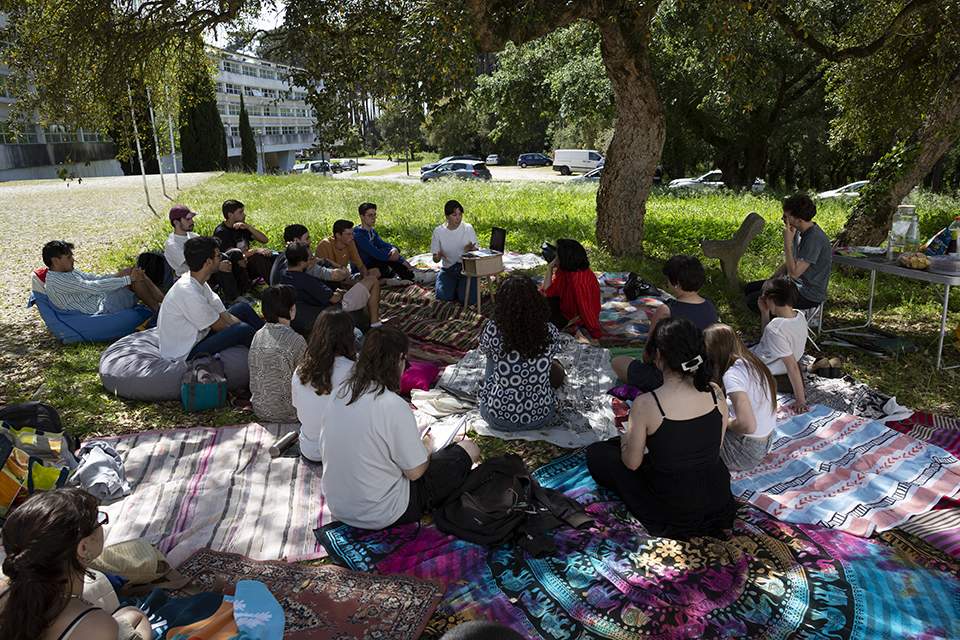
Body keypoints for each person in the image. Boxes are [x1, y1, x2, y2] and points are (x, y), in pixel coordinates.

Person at [585, 317, 737, 540]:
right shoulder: (715, 392)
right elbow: (717, 444)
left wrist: (625, 441)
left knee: (597, 453)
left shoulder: (647, 404)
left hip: (672, 506)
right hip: (717, 497)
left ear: (658, 354)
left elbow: (632, 463)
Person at [318, 326, 481, 530]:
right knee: (469, 449)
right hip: (383, 512)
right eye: (406, 362)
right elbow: (415, 472)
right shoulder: (393, 405)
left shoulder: (340, 392)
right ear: (398, 360)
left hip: (339, 506)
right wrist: (428, 443)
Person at [0, 487, 150, 640]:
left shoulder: (8, 588)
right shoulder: (96, 625)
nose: (102, 524)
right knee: (138, 617)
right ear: (83, 548)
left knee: (132, 614)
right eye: (98, 519)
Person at [612, 255, 719, 391]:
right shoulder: (710, 306)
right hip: (703, 374)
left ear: (677, 283)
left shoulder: (667, 310)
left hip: (669, 378)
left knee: (618, 362)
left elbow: (647, 355)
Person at [477, 274, 565, 431]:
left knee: (491, 356)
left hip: (497, 417)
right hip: (540, 416)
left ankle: (489, 393)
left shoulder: (493, 330)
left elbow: (486, 352)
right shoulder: (550, 331)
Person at [158, 235, 265, 361]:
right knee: (242, 330)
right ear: (208, 262)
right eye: (218, 256)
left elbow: (225, 315)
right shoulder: (190, 293)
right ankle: (270, 355)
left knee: (242, 308)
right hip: (185, 352)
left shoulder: (198, 281)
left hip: (199, 335)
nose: (221, 258)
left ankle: (272, 339)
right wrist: (242, 331)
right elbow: (221, 327)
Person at [705, 323, 779, 471]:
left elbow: (748, 426)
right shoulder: (752, 363)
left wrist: (725, 421)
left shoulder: (732, 375)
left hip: (744, 452)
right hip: (764, 444)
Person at [744, 194, 832, 314]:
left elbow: (794, 273)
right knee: (750, 288)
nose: (782, 218)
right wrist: (770, 281)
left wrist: (787, 242)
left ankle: (783, 321)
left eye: (786, 217)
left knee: (753, 300)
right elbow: (789, 263)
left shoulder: (814, 239)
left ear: (799, 221)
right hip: (792, 285)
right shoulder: (798, 231)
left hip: (808, 293)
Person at [291, 308, 358, 463]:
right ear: (349, 337)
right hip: (343, 454)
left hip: (309, 449)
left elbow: (297, 406)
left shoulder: (301, 369)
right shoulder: (355, 371)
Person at [280, 241, 381, 334]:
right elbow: (334, 298)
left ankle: (369, 322)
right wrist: (342, 293)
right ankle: (375, 324)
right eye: (311, 257)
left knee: (360, 291)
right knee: (372, 280)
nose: (314, 258)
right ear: (301, 263)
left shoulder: (284, 273)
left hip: (311, 310)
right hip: (335, 308)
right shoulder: (307, 280)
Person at [42, 241, 165, 315]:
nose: (73, 260)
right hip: (102, 309)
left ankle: (164, 304)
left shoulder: (66, 272)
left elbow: (94, 278)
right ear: (55, 261)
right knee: (132, 275)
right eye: (68, 257)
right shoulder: (57, 282)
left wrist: (126, 276)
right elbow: (93, 287)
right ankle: (159, 310)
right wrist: (129, 279)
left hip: (102, 299)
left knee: (129, 271)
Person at [248, 285, 307, 423]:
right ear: (291, 310)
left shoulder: (258, 335)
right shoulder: (296, 340)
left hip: (260, 410)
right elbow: (306, 379)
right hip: (290, 413)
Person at [750, 275, 808, 413]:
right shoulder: (800, 315)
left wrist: (800, 400)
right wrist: (765, 313)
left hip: (764, 366)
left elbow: (792, 366)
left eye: (766, 299)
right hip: (780, 365)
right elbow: (767, 338)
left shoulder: (776, 329)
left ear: (773, 300)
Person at [541, 238, 602, 339]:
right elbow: (547, 293)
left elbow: (586, 309)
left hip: (576, 318)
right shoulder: (563, 271)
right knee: (539, 307)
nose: (556, 258)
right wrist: (550, 269)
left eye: (558, 256)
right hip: (566, 308)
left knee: (542, 322)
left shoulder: (579, 280)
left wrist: (596, 334)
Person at [214, 199, 276, 286]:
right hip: (236, 268)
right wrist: (255, 250)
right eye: (240, 212)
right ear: (230, 215)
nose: (244, 215)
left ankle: (284, 282)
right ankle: (276, 286)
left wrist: (248, 227)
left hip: (247, 263)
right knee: (258, 257)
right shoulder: (222, 232)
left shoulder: (241, 227)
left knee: (274, 256)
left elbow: (264, 240)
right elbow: (233, 254)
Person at [268, 224, 351, 289]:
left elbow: (322, 260)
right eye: (307, 238)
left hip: (283, 296)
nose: (310, 241)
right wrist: (346, 272)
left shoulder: (286, 255)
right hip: (290, 300)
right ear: (296, 241)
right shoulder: (299, 261)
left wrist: (341, 267)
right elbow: (335, 276)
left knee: (323, 262)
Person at [431, 199, 479, 304]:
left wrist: (472, 249)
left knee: (469, 301)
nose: (458, 218)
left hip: (466, 269)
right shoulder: (438, 231)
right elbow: (435, 259)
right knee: (442, 298)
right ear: (447, 216)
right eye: (454, 215)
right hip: (448, 270)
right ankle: (454, 288)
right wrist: (438, 256)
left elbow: (477, 252)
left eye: (460, 214)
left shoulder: (468, 228)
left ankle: (459, 289)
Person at [353, 203, 416, 281]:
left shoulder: (372, 232)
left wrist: (394, 249)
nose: (374, 218)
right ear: (362, 217)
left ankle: (407, 275)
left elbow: (382, 244)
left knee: (389, 254)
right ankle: (411, 277)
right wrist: (400, 259)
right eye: (370, 215)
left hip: (373, 262)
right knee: (388, 257)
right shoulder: (358, 235)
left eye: (375, 215)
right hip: (363, 267)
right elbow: (375, 253)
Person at [315, 220, 380, 282]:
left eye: (352, 233)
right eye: (348, 234)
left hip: (345, 277)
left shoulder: (350, 243)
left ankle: (361, 286)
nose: (352, 237)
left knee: (375, 272)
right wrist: (348, 282)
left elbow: (360, 266)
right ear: (338, 235)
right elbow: (325, 276)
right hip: (331, 280)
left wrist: (365, 277)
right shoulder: (324, 246)